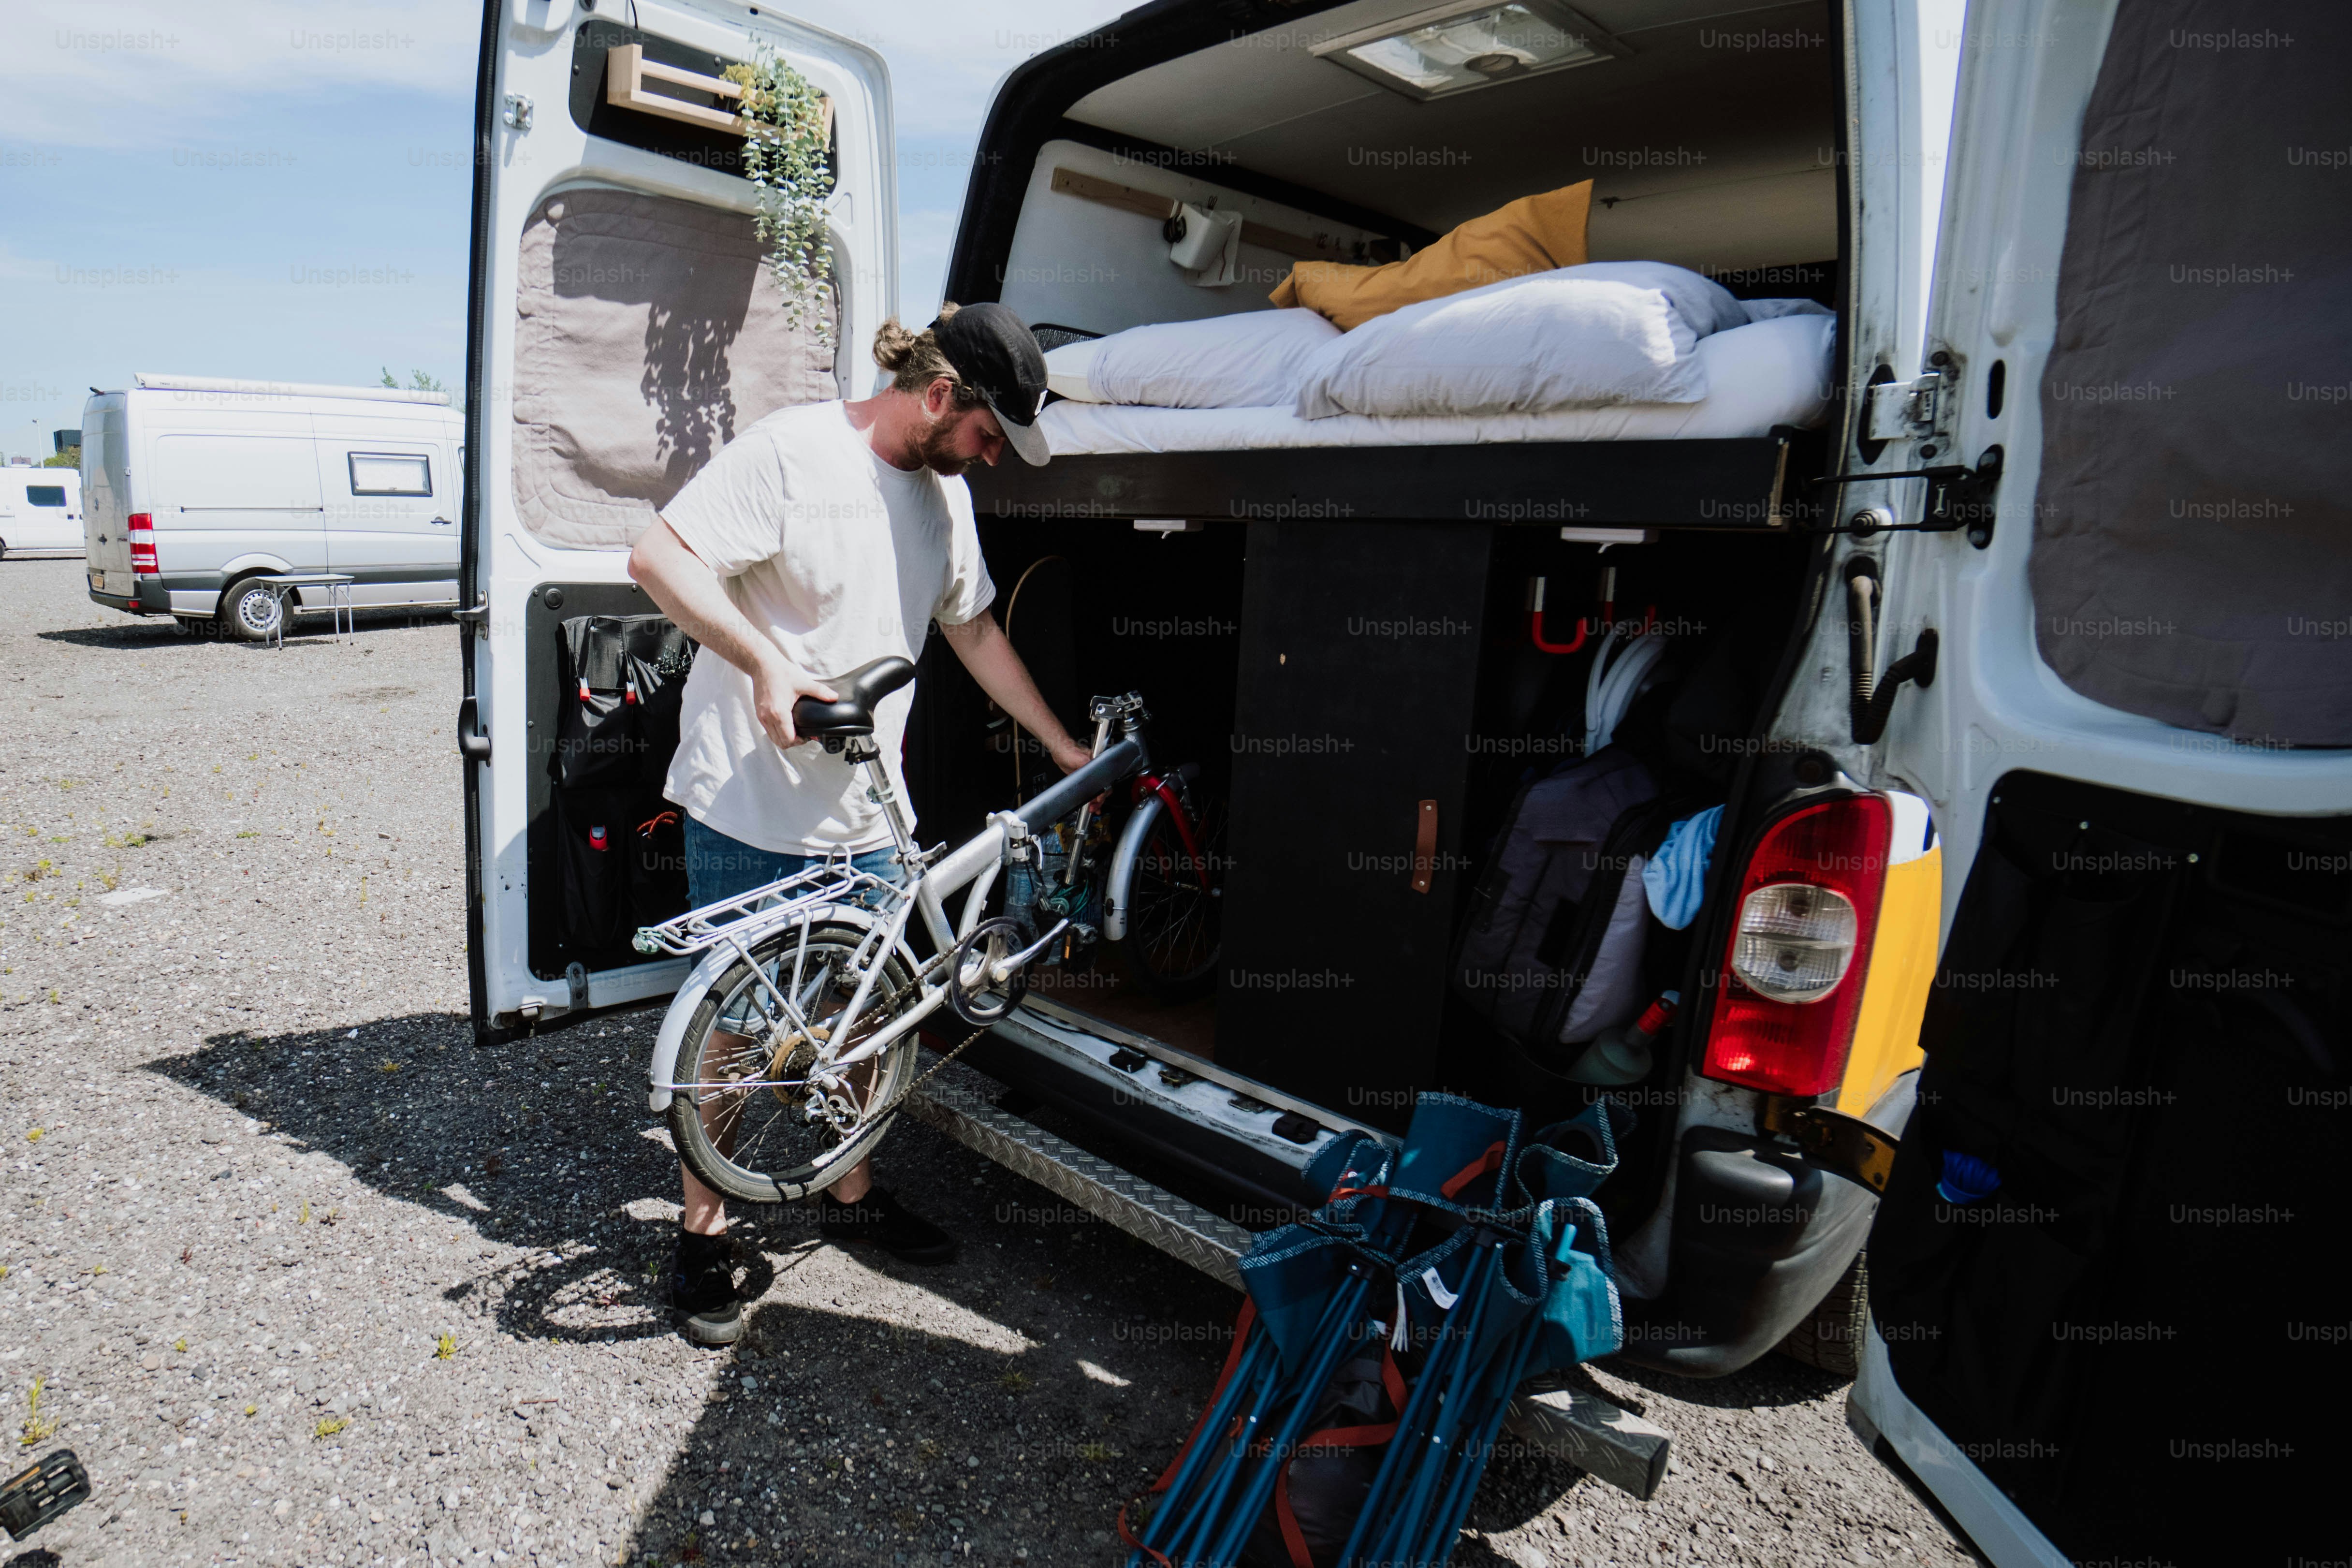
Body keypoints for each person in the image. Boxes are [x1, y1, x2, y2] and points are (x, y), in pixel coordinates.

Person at [628, 302, 1092, 1345]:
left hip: (868, 810)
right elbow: (657, 557)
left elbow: (968, 627)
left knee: (860, 1012)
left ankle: (849, 1191)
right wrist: (764, 661)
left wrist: (1062, 746)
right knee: (741, 1037)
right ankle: (704, 1239)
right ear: (939, 397)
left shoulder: (942, 497)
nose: (992, 459)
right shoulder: (793, 455)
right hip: (752, 799)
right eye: (986, 434)